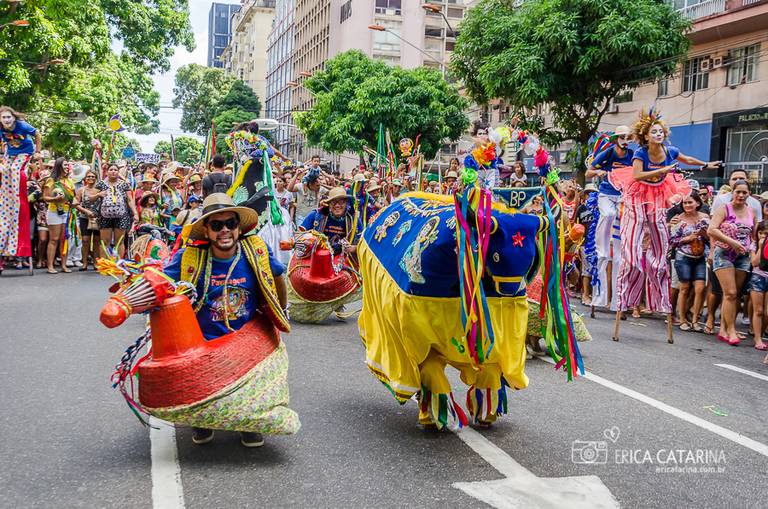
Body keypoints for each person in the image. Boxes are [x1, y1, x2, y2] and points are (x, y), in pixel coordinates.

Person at [164, 193, 292, 447]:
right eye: (216, 225)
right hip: (202, 343)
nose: (224, 230)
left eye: (230, 224)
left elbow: (278, 274)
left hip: (247, 340)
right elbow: (163, 282)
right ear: (207, 230)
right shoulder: (189, 257)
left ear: (238, 228)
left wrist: (280, 308)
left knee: (269, 363)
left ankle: (249, 421)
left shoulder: (255, 250)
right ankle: (201, 418)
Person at [610, 109, 720, 320]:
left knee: (658, 236)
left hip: (659, 192)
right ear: (646, 136)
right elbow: (637, 175)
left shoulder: (670, 151)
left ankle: (658, 290)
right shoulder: (641, 152)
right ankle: (626, 295)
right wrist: (662, 170)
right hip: (639, 192)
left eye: (660, 131)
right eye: (654, 132)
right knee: (634, 241)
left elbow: (687, 159)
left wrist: (705, 164)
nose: (658, 134)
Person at [584, 126, 633, 311]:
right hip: (606, 195)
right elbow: (588, 172)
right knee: (603, 252)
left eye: (628, 137)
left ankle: (617, 302)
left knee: (619, 257)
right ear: (616, 139)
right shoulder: (608, 153)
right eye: (622, 137)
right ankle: (598, 297)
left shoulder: (632, 155)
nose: (625, 141)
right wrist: (599, 172)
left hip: (623, 197)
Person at [708, 179, 755, 346]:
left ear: (749, 194)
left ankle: (723, 329)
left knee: (735, 295)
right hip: (724, 254)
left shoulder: (751, 211)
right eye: (738, 192)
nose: (741, 195)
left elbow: (753, 234)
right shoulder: (724, 208)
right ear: (732, 193)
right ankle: (731, 330)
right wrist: (732, 242)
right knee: (730, 293)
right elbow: (711, 229)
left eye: (744, 192)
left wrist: (751, 251)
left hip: (743, 256)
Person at [0, 106, 39, 272]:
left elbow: (37, 133)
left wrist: (37, 152)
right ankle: (8, 196)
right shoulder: (1, 129)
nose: (6, 120)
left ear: (13, 118)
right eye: (4, 118)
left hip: (25, 152)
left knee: (15, 170)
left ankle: (16, 196)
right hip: (11, 153)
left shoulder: (22, 125)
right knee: (5, 170)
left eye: (9, 117)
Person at [669, 192, 709, 331]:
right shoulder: (678, 219)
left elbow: (711, 238)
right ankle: (682, 320)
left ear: (697, 203)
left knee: (700, 288)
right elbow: (673, 241)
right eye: (684, 203)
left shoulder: (704, 218)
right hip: (683, 257)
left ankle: (695, 320)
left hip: (700, 257)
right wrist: (687, 239)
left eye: (690, 202)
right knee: (684, 288)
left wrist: (704, 234)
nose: (687, 205)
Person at [300, 187, 363, 257]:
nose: (337, 205)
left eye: (341, 202)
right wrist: (307, 240)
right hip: (317, 256)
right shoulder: (316, 215)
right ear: (329, 204)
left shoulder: (354, 220)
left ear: (346, 203)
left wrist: (354, 248)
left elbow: (363, 244)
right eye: (333, 202)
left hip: (343, 258)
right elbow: (299, 235)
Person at [42, 158, 77, 273]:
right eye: (65, 165)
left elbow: (73, 197)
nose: (67, 167)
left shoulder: (70, 181)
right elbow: (45, 197)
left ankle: (63, 265)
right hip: (54, 211)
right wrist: (55, 199)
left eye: (68, 165)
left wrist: (75, 202)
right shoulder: (51, 180)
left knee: (64, 239)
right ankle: (50, 266)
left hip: (67, 212)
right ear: (59, 166)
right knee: (54, 239)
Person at [97, 163, 138, 259]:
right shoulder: (101, 184)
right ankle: (104, 264)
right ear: (107, 172)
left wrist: (135, 213)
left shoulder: (124, 184)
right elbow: (92, 198)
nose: (113, 172)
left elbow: (130, 199)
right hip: (104, 216)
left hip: (121, 216)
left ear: (118, 172)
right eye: (111, 170)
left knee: (119, 241)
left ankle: (118, 263)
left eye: (115, 170)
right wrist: (98, 195)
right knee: (104, 242)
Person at [575, 184, 598, 305]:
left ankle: (597, 295)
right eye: (588, 193)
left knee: (597, 269)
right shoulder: (581, 209)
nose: (590, 195)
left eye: (593, 193)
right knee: (587, 269)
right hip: (584, 243)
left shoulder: (599, 207)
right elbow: (576, 226)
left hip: (597, 242)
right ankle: (585, 294)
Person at [75, 169, 102, 271]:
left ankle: (96, 262)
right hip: (84, 217)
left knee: (96, 240)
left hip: (97, 218)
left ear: (96, 178)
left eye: (93, 176)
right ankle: (84, 263)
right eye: (88, 176)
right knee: (85, 240)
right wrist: (86, 211)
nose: (91, 178)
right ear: (85, 178)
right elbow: (76, 204)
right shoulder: (81, 190)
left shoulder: (100, 190)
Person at [748, 220, 768, 352]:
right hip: (758, 277)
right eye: (760, 233)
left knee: (767, 313)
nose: (762, 236)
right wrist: (761, 247)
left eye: (766, 233)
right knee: (759, 310)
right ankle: (758, 338)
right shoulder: (754, 245)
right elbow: (754, 263)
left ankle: (760, 333)